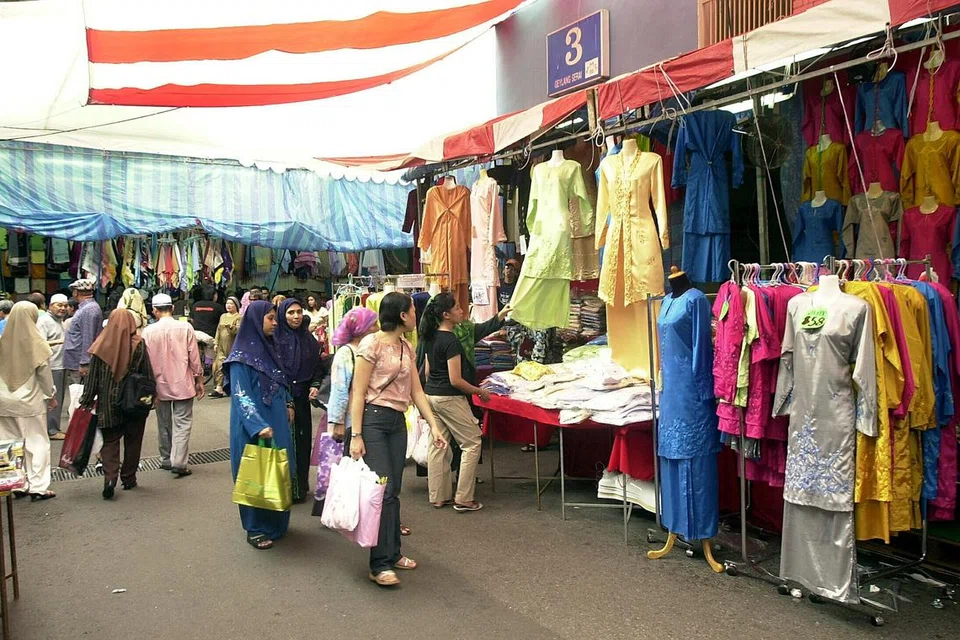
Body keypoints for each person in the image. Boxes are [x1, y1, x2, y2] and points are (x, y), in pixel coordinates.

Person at [348, 291, 447, 587]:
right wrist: (356, 434)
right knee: (383, 490)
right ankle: (379, 564)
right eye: (413, 311)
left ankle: (393, 553)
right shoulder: (371, 344)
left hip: (396, 423)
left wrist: (435, 426)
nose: (417, 315)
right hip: (373, 422)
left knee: (394, 490)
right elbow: (358, 392)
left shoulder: (407, 347)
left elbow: (416, 391)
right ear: (402, 316)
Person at [419, 293, 511, 512]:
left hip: (432, 395)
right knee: (472, 442)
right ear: (446, 315)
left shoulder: (430, 337)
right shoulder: (450, 340)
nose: (461, 310)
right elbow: (456, 380)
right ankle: (464, 498)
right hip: (450, 397)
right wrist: (479, 391)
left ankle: (438, 496)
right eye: (457, 308)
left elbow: (429, 371)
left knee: (438, 445)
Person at [225, 300, 293, 550]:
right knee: (254, 474)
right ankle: (254, 528)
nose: (275, 323)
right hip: (252, 425)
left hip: (277, 420)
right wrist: (257, 425)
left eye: (276, 319)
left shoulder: (272, 349)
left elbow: (282, 382)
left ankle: (277, 523)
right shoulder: (240, 358)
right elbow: (240, 395)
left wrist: (289, 405)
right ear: (256, 320)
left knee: (278, 469)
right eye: (270, 319)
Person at [310, 307, 379, 517]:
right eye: (372, 324)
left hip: (364, 416)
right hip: (348, 420)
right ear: (362, 329)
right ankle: (340, 509)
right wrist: (336, 422)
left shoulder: (369, 349)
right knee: (344, 467)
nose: (376, 328)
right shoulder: (345, 353)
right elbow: (339, 390)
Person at [80, 309, 155, 499]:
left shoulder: (100, 345)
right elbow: (147, 373)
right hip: (133, 402)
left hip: (108, 403)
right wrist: (151, 396)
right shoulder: (138, 344)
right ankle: (129, 478)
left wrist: (86, 400)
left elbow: (92, 378)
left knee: (110, 441)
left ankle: (110, 479)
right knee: (133, 440)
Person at [141, 293, 204, 477]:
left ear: (154, 311)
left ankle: (166, 459)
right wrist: (199, 379)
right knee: (182, 422)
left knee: (164, 422)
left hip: (158, 384)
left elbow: (145, 361)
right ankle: (179, 461)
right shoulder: (185, 327)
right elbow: (194, 356)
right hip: (182, 382)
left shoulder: (148, 331)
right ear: (173, 308)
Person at [0, 302, 57, 500]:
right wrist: (51, 396)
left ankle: (16, 482)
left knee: (9, 443)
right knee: (37, 442)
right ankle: (38, 486)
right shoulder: (37, 343)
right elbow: (45, 378)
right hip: (30, 403)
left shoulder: (2, 341)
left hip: (4, 403)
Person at [274, 298, 324, 503]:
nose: (295, 316)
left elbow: (317, 366)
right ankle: (283, 487)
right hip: (280, 398)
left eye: (298, 312)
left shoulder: (308, 339)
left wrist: (315, 384)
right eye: (290, 313)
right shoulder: (275, 340)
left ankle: (299, 487)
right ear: (282, 315)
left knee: (302, 443)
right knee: (283, 442)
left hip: (302, 398)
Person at [37, 293, 69, 440]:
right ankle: (51, 430)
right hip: (51, 366)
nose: (63, 308)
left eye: (65, 305)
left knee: (59, 398)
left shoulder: (60, 321)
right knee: (52, 399)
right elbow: (39, 343)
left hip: (60, 365)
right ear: (50, 306)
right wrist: (59, 342)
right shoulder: (44, 321)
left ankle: (52, 427)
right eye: (59, 305)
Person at [63, 279, 104, 383]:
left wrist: (85, 363)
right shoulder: (87, 308)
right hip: (77, 360)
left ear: (76, 292)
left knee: (80, 392)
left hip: (79, 362)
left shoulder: (88, 310)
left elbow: (88, 337)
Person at [210, 296, 241, 398]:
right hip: (221, 345)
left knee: (231, 366)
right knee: (219, 365)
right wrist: (216, 342)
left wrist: (231, 327)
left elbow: (238, 331)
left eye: (231, 304)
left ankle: (232, 387)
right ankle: (219, 388)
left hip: (232, 345)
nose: (228, 305)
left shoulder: (239, 317)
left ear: (236, 305)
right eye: (227, 303)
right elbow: (218, 330)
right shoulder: (223, 316)